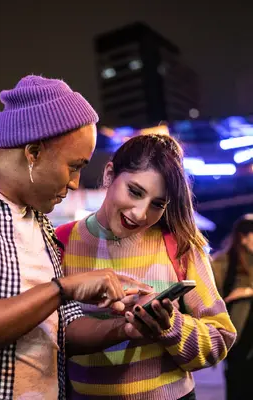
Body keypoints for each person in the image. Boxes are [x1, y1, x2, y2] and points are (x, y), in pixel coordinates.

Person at [0, 75, 150, 400]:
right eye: (74, 167)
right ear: (32, 152)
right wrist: (62, 289)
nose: (75, 183)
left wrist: (127, 327)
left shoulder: (38, 221)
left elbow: (58, 326)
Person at [57, 133, 236, 400]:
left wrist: (170, 326)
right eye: (135, 191)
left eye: (157, 204)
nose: (141, 213)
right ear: (109, 175)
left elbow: (219, 340)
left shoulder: (180, 245)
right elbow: (49, 338)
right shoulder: (61, 241)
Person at [212, 214, 253, 399]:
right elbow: (209, 298)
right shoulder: (223, 262)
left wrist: (247, 291)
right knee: (238, 385)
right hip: (237, 337)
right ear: (243, 237)